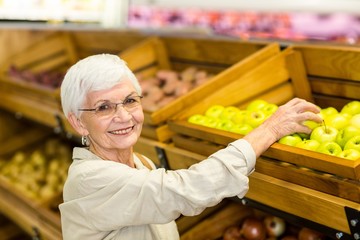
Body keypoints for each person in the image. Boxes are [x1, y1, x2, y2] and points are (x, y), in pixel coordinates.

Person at [59, 53, 322, 240]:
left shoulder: (141, 163)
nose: (124, 116)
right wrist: (270, 129)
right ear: (79, 123)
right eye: (104, 107)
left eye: (130, 101)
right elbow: (187, 189)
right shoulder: (89, 180)